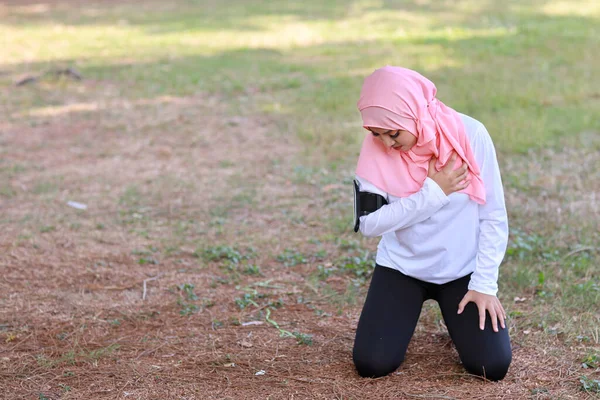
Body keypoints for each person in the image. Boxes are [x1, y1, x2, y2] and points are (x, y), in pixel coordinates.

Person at [352, 66, 512, 381]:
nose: (386, 144)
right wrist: (433, 192)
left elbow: (492, 214)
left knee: (491, 366)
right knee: (372, 364)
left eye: (393, 132)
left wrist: (484, 284)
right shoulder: (376, 148)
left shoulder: (470, 134)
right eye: (376, 133)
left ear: (414, 113)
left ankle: (460, 324)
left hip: (460, 271)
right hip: (401, 268)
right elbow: (368, 223)